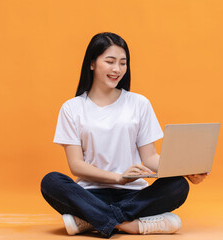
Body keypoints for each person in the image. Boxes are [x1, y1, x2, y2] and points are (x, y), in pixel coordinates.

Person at [40, 32, 207, 238]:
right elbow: (77, 166)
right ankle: (131, 225)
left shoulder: (139, 103)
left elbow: (150, 158)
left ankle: (93, 219)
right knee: (51, 182)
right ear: (92, 63)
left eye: (122, 63)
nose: (117, 69)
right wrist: (118, 178)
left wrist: (187, 170)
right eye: (110, 61)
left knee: (178, 185)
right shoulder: (72, 108)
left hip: (135, 194)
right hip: (91, 193)